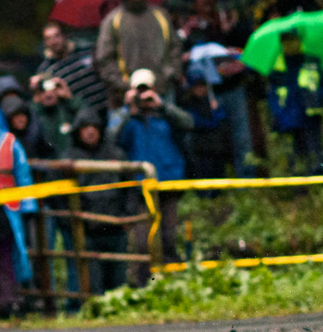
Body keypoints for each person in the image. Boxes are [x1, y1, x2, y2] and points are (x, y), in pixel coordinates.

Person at [114, 69, 193, 282]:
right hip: (140, 187)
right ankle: (144, 284)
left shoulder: (165, 112)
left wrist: (162, 106)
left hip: (168, 182)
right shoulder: (127, 117)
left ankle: (173, 281)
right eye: (138, 90)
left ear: (154, 89)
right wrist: (128, 111)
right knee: (142, 241)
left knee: (169, 236)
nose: (143, 94)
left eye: (146, 89)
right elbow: (112, 139)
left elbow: (188, 123)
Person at [178, 0, 257, 176]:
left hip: (233, 87)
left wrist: (231, 29)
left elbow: (246, 48)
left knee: (242, 138)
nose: (205, 1)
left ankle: (247, 182)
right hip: (207, 93)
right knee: (214, 138)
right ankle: (219, 182)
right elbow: (181, 55)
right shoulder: (190, 28)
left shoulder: (227, 20)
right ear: (194, 3)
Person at [57, 107, 128, 309]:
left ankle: (119, 313)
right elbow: (59, 197)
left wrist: (128, 216)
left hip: (115, 227)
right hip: (86, 229)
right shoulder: (68, 158)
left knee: (118, 279)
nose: (90, 131)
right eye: (85, 127)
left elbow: (130, 188)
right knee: (92, 282)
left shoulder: (116, 154)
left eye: (94, 127)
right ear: (77, 131)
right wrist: (70, 222)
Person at [95, 0, 182, 110]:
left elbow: (174, 46)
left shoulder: (160, 15)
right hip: (128, 94)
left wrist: (171, 74)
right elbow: (104, 58)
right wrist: (123, 85)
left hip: (162, 89)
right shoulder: (113, 21)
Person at [0, 119, 36, 318]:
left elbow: (23, 175)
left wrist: (28, 207)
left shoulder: (10, 143)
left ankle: (5, 304)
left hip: (6, 214)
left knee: (6, 258)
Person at [267, 29, 323, 175]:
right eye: (286, 40)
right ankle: (299, 182)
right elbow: (272, 94)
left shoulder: (312, 62)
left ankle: (318, 180)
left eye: (293, 39)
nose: (290, 44)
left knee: (314, 151)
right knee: (294, 156)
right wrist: (278, 113)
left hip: (310, 115)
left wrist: (316, 99)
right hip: (286, 117)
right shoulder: (276, 68)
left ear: (299, 40)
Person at [34, 21, 108, 115]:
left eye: (57, 36)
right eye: (48, 39)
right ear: (45, 43)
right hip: (80, 116)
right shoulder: (46, 70)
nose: (54, 41)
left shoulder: (85, 52)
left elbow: (104, 73)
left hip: (106, 106)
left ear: (65, 36)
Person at [178, 71, 229, 182]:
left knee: (219, 177)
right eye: (197, 86)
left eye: (202, 85)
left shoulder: (212, 101)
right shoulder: (188, 103)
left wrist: (216, 111)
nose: (200, 89)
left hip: (216, 148)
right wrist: (213, 122)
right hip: (199, 149)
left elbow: (222, 118)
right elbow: (196, 122)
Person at [31, 76, 82, 153]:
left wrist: (68, 97)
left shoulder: (68, 110)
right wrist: (35, 95)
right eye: (43, 91)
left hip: (72, 158)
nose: (48, 95)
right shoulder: (36, 114)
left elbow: (86, 115)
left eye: (52, 90)